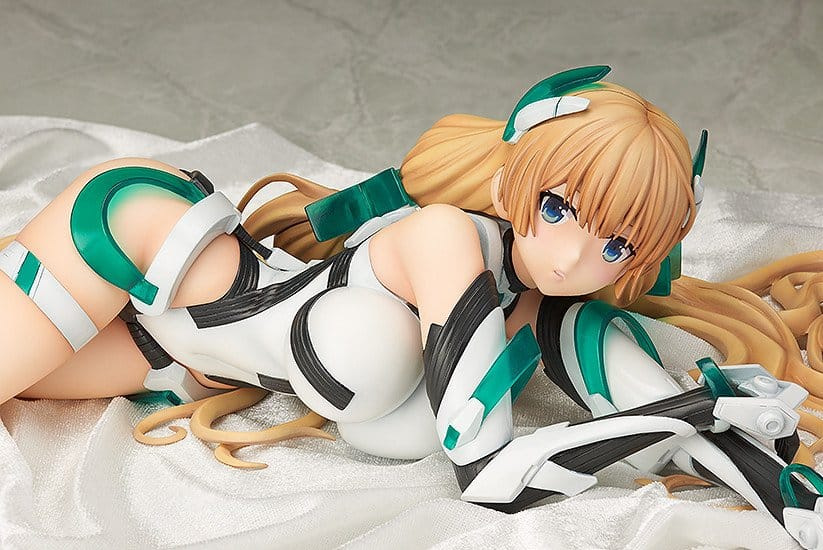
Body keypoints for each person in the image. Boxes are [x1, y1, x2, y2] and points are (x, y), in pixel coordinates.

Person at [2, 66, 822, 548]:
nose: (574, 258)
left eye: (615, 246)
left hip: (176, 359)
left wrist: (790, 494)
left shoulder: (559, 318)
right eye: (559, 208)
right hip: (149, 237)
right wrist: (691, 408)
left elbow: (676, 434)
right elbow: (488, 474)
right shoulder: (445, 240)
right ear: (511, 179)